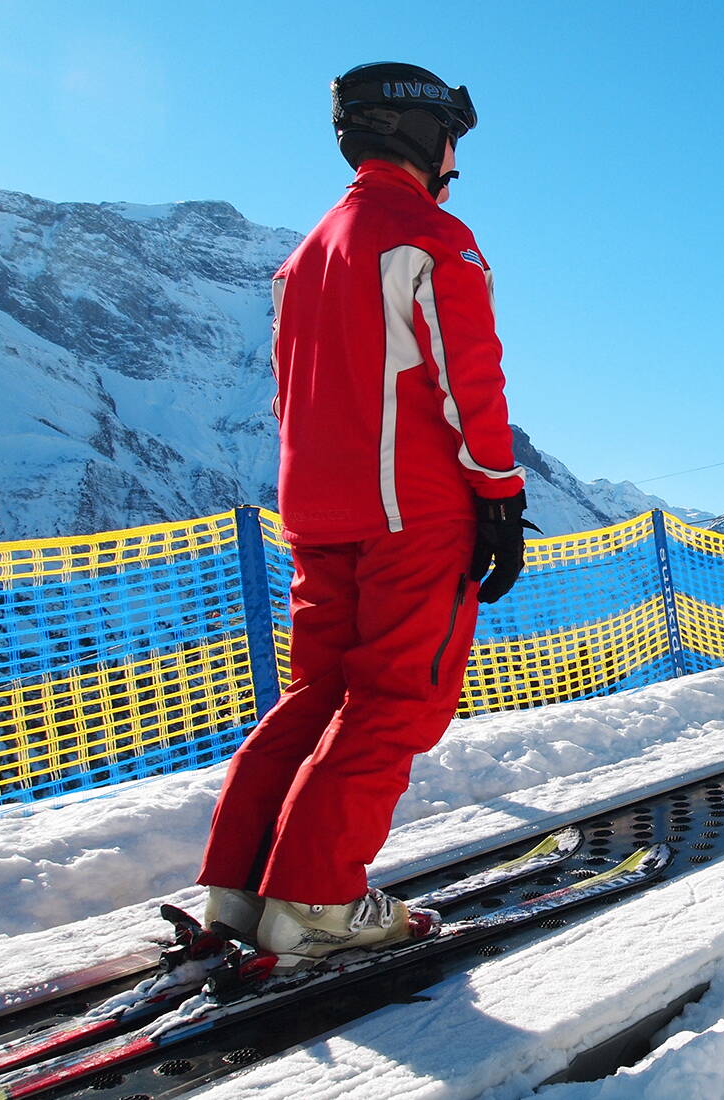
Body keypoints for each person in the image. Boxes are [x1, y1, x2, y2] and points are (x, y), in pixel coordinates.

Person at [196, 63, 528, 967]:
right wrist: (499, 496)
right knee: (393, 701)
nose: (456, 159)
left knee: (321, 694)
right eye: (452, 137)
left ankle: (241, 889)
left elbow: (289, 398)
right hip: (413, 513)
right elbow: (470, 382)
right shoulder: (431, 237)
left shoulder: (301, 259)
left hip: (316, 516)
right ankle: (315, 900)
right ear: (425, 137)